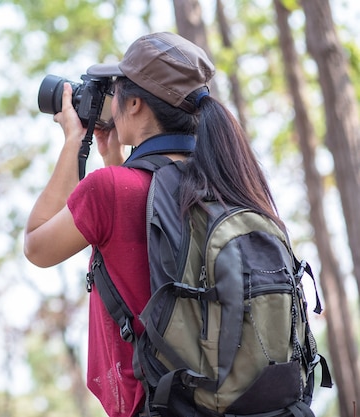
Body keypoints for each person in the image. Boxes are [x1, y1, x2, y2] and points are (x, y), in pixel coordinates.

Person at [24, 32, 283, 417]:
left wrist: (73, 141)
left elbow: (36, 245)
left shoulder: (109, 190)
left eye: (116, 91)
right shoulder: (229, 183)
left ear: (134, 102)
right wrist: (115, 160)